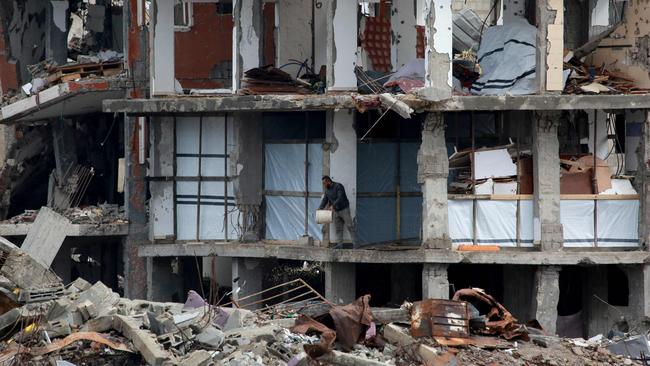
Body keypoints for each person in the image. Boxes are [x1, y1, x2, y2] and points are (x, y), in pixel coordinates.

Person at [318, 176, 356, 248]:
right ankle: (340, 245)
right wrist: (320, 208)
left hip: (344, 209)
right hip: (336, 211)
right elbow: (325, 200)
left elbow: (340, 197)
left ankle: (356, 244)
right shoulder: (327, 190)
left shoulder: (338, 186)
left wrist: (333, 205)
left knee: (350, 226)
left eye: (324, 183)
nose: (323, 185)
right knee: (338, 229)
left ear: (328, 181)